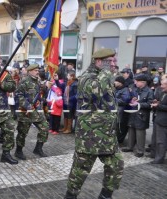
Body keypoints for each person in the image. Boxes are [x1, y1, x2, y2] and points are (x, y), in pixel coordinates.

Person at [64, 48, 124, 199]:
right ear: (98, 61)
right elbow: (97, 91)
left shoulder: (104, 77)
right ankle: (70, 196)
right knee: (80, 170)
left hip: (108, 134)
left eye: (113, 61)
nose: (113, 64)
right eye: (109, 61)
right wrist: (107, 72)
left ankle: (105, 195)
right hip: (89, 135)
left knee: (116, 164)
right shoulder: (86, 78)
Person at [15, 64, 49, 160]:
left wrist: (44, 89)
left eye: (38, 70)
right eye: (35, 70)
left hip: (37, 111)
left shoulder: (37, 81)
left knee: (45, 128)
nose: (37, 72)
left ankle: (38, 148)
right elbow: (18, 95)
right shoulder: (24, 81)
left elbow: (39, 95)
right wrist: (27, 106)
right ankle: (18, 151)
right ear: (29, 71)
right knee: (22, 133)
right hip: (25, 112)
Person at [121, 74, 153, 157]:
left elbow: (150, 105)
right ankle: (130, 146)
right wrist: (131, 100)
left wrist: (138, 104)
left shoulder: (149, 91)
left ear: (143, 82)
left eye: (137, 81)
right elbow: (133, 98)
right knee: (131, 130)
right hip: (133, 113)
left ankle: (140, 150)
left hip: (142, 115)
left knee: (140, 133)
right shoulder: (136, 89)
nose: (135, 82)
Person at [150, 78, 167, 164]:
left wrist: (158, 105)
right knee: (155, 139)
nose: (161, 86)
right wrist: (157, 102)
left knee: (161, 141)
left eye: (163, 84)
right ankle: (154, 155)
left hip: (164, 121)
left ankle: (159, 159)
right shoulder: (163, 93)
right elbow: (162, 103)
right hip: (158, 119)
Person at [114, 76, 131, 144]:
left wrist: (113, 100)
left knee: (120, 127)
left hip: (121, 112)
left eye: (116, 81)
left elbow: (125, 101)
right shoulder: (117, 89)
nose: (114, 82)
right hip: (117, 110)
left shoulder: (125, 90)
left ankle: (119, 141)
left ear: (120, 83)